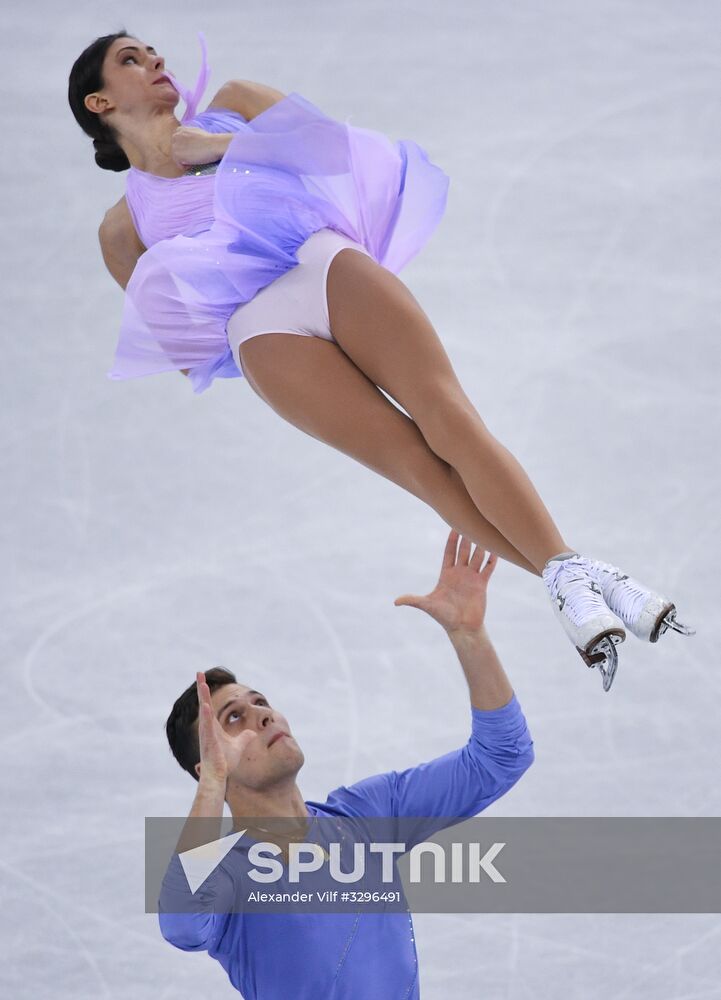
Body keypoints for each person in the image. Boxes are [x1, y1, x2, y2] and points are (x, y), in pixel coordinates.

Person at [67, 32, 694, 688]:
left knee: (448, 419)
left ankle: (570, 574)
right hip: (259, 331)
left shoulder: (235, 102)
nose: (155, 61)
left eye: (152, 51)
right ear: (99, 102)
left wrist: (223, 148)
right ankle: (581, 580)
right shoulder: (121, 229)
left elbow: (336, 151)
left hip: (323, 262)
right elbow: (180, 339)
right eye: (130, 60)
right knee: (420, 471)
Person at [159, 530, 534, 998]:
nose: (263, 715)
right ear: (209, 765)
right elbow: (181, 925)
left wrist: (469, 637)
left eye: (261, 702)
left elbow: (502, 757)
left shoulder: (367, 815)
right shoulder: (228, 875)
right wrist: (213, 783)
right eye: (234, 718)